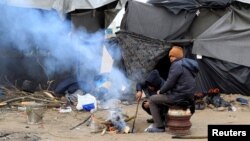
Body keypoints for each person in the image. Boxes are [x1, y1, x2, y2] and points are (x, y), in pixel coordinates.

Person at [145, 45, 199, 133]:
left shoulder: (176, 65)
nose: (171, 58)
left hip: (178, 96)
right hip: (189, 96)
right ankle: (166, 121)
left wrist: (161, 91)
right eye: (170, 56)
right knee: (164, 98)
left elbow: (170, 82)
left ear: (177, 56)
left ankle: (159, 126)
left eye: (173, 56)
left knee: (152, 100)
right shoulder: (187, 65)